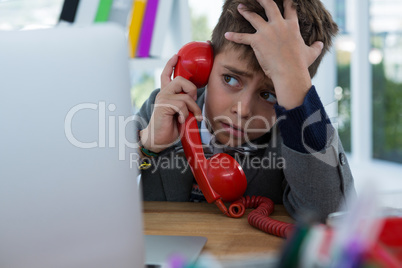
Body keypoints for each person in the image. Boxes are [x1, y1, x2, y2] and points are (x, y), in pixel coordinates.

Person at [135, 0, 356, 223]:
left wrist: (293, 79)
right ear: (207, 63)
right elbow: (100, 189)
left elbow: (332, 216)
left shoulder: (294, 135)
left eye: (269, 94)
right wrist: (147, 145)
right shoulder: (163, 109)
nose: (243, 110)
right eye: (231, 79)